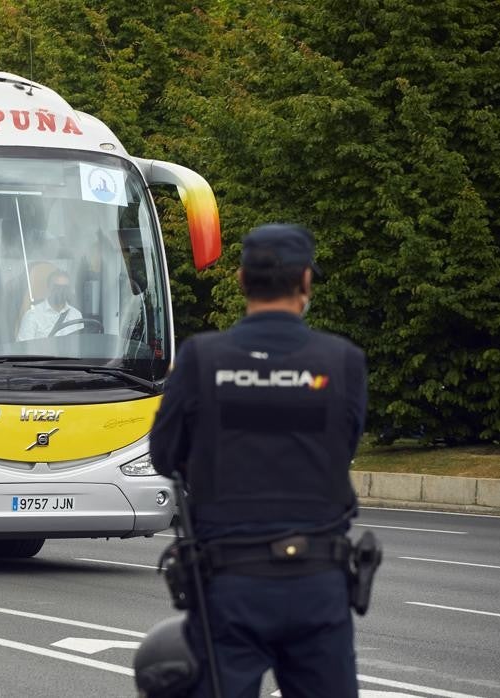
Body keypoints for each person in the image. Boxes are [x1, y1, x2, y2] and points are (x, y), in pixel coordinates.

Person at [150, 223, 368, 697]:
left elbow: (164, 455)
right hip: (318, 582)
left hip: (231, 584)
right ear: (306, 281)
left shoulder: (201, 358)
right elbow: (342, 448)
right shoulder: (342, 361)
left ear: (242, 281)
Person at [16, 269, 83, 341]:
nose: (61, 291)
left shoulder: (76, 315)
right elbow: (23, 348)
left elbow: (81, 344)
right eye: (57, 287)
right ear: (49, 288)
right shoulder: (32, 315)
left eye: (65, 287)